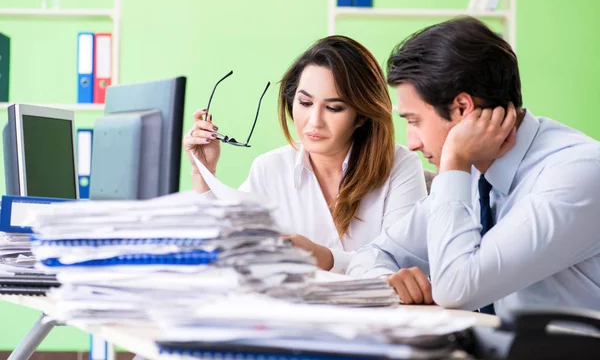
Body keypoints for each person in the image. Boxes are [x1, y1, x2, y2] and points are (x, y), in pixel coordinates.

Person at [347, 17, 600, 316]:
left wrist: (454, 161)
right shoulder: (475, 172)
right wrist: (385, 281)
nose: (411, 143)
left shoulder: (579, 173)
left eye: (414, 121)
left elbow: (457, 289)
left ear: (463, 108)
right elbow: (372, 255)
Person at [184, 35, 427, 273]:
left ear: (361, 116)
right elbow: (221, 247)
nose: (314, 121)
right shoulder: (270, 169)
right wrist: (202, 171)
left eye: (333, 108)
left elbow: (403, 266)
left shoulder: (400, 167)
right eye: (305, 103)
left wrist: (326, 258)